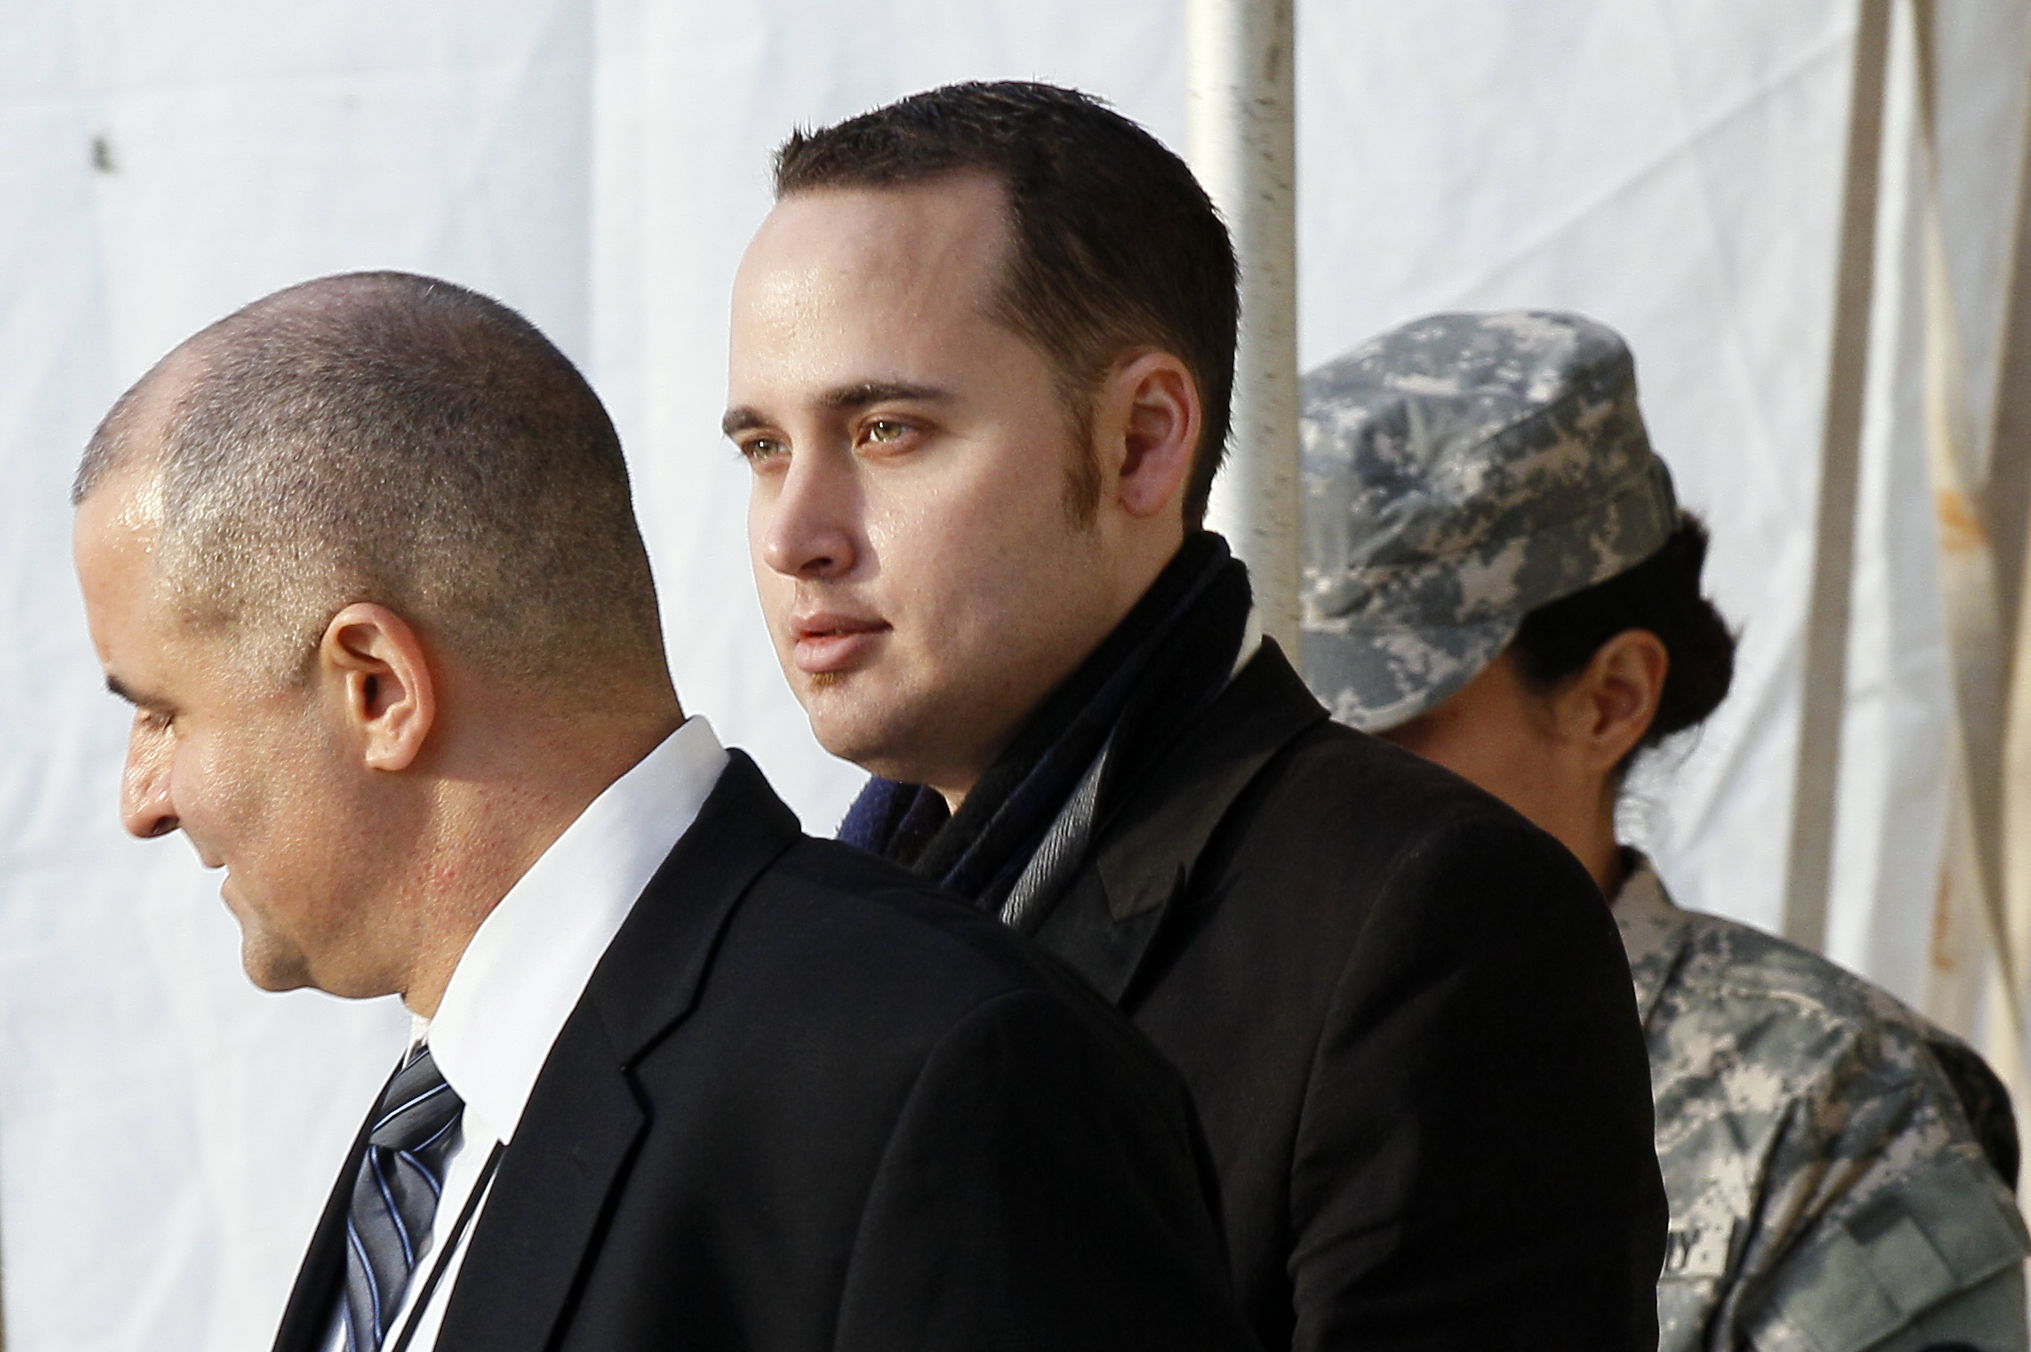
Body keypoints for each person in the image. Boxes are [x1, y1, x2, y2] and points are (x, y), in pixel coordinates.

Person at [69, 271, 1261, 1352]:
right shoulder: (441, 1119)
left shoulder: (939, 1080)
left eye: (163, 710)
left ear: (378, 686)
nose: (141, 799)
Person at [728, 81, 1666, 1349]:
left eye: (886, 429)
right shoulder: (783, 944)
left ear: (1142, 442)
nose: (793, 533)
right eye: (763, 448)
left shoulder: (1430, 917)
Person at [1299, 308, 2031, 1352]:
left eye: (1381, 722)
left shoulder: (1826, 1107)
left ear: (1610, 700)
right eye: (1274, 718)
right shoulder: (1178, 1032)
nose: (1310, 779)